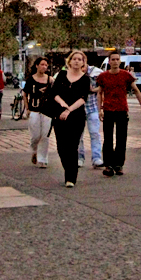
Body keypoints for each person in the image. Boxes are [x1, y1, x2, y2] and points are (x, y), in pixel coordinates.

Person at [96, 51, 141, 177]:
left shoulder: (126, 75)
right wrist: (99, 109)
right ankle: (108, 165)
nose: (115, 62)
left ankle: (119, 164)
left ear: (120, 61)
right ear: (109, 61)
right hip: (108, 110)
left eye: (117, 59)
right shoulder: (103, 76)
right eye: (112, 59)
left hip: (122, 110)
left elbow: (135, 90)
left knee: (121, 138)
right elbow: (99, 93)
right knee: (108, 139)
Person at [49, 50, 92, 187]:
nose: (77, 61)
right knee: (61, 147)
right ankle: (68, 168)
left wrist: (69, 109)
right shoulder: (61, 75)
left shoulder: (85, 79)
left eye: (80, 59)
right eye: (74, 59)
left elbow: (82, 98)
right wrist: (62, 105)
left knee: (73, 146)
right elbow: (54, 93)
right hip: (59, 113)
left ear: (83, 63)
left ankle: (70, 178)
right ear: (69, 61)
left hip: (76, 115)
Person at [24, 56, 54, 168]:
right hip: (34, 109)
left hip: (47, 110)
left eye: (46, 65)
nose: (44, 67)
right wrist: (27, 108)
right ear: (36, 66)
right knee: (35, 135)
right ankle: (34, 150)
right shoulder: (30, 79)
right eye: (42, 64)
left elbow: (55, 94)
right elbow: (25, 93)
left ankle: (43, 159)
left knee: (45, 135)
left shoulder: (50, 80)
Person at [77, 61, 104, 169]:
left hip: (92, 107)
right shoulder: (71, 73)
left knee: (94, 133)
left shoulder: (96, 72)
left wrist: (93, 89)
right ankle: (79, 157)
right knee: (78, 135)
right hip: (78, 108)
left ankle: (96, 158)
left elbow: (103, 87)